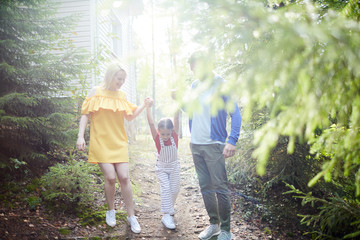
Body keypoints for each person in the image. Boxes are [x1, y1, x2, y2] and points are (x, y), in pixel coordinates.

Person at [76, 62, 148, 234]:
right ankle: (111, 211)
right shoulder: (96, 92)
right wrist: (80, 136)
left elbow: (130, 116)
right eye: (119, 78)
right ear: (110, 75)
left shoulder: (121, 95)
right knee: (110, 178)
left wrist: (144, 105)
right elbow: (85, 115)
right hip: (101, 142)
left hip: (118, 142)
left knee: (124, 177)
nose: (122, 81)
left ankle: (131, 217)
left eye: (124, 79)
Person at [187, 51, 241, 240]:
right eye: (192, 69)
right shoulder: (195, 85)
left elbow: (235, 113)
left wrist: (232, 140)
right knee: (205, 187)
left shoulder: (220, 84)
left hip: (214, 145)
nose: (195, 72)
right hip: (196, 144)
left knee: (219, 187)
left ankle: (226, 230)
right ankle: (214, 225)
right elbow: (193, 109)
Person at [145, 97, 180, 230]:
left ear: (172, 131)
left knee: (175, 189)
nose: (165, 136)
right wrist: (148, 108)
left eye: (167, 133)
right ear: (159, 132)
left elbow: (176, 119)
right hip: (162, 168)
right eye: (163, 134)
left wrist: (176, 101)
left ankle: (169, 208)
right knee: (165, 189)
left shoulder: (174, 136)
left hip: (174, 166)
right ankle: (166, 215)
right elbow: (151, 123)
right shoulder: (157, 137)